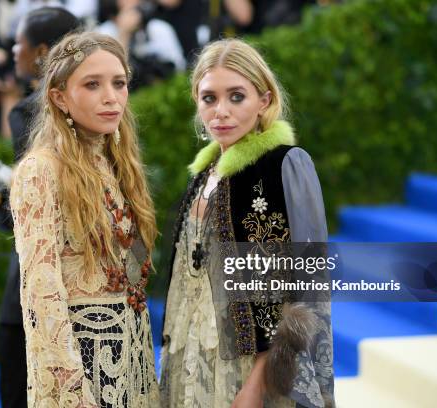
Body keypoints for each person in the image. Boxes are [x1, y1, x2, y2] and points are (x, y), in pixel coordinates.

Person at [159, 38, 333, 408]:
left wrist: (259, 381)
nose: (221, 111)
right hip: (189, 353)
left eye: (236, 96)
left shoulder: (284, 165)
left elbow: (300, 287)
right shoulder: (204, 173)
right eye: (209, 98)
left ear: (264, 100)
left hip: (247, 366)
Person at [9, 31, 160, 407]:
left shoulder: (119, 165)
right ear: (59, 97)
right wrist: (71, 387)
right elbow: (40, 293)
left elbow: (132, 272)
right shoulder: (40, 171)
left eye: (119, 83)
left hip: (135, 356)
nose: (111, 97)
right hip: (80, 365)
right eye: (92, 85)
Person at [0, 7, 81, 408]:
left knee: (18, 391)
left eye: (19, 42)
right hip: (98, 284)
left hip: (37, 285)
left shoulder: (31, 111)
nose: (13, 50)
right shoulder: (104, 108)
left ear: (42, 51)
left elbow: (36, 213)